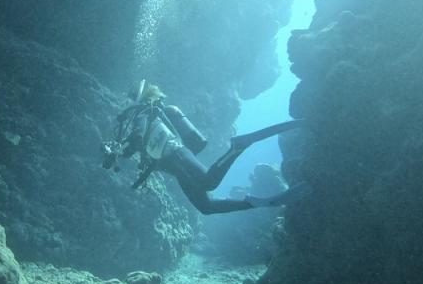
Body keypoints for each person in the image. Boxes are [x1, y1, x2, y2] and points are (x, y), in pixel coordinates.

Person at [102, 81, 305, 215]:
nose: (124, 103)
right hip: (174, 165)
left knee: (209, 182)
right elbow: (137, 143)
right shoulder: (143, 115)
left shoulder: (141, 113)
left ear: (134, 99)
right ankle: (257, 202)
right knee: (206, 207)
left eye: (126, 98)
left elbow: (138, 137)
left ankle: (237, 146)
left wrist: (119, 151)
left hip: (177, 154)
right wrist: (120, 152)